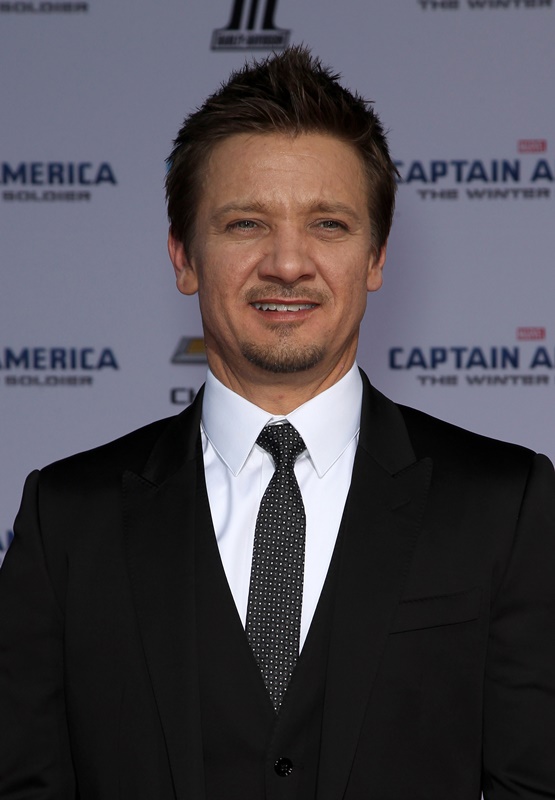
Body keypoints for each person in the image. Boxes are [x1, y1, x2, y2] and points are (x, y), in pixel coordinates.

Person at [1, 46, 554, 800]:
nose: (288, 263)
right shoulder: (66, 519)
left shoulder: (503, 505)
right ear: (183, 257)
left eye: (327, 223)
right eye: (245, 223)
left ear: (375, 257)